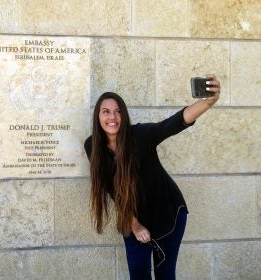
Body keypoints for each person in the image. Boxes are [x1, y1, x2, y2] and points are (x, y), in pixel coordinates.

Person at [84, 75, 220, 279]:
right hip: (131, 216)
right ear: (98, 117)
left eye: (118, 111)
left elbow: (173, 123)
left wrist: (208, 102)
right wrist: (134, 224)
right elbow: (112, 190)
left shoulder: (140, 135)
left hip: (167, 212)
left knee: (164, 273)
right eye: (106, 112)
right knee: (138, 271)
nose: (112, 117)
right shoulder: (92, 146)